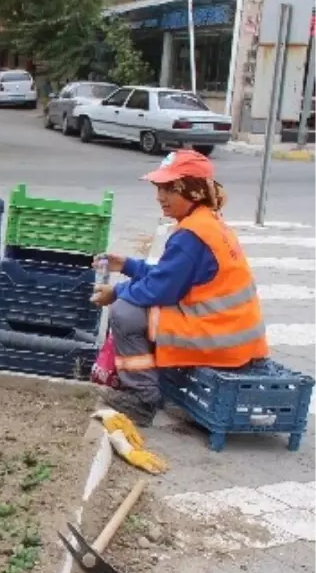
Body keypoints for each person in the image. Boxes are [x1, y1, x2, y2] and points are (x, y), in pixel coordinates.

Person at [90, 149, 268, 426]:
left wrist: (116, 292)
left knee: (125, 312)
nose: (160, 197)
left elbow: (159, 290)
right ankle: (150, 386)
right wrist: (128, 265)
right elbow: (170, 277)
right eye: (159, 188)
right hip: (234, 336)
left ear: (194, 191)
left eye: (170, 189)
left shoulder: (192, 235)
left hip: (220, 338)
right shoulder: (206, 223)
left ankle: (141, 399)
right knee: (136, 306)